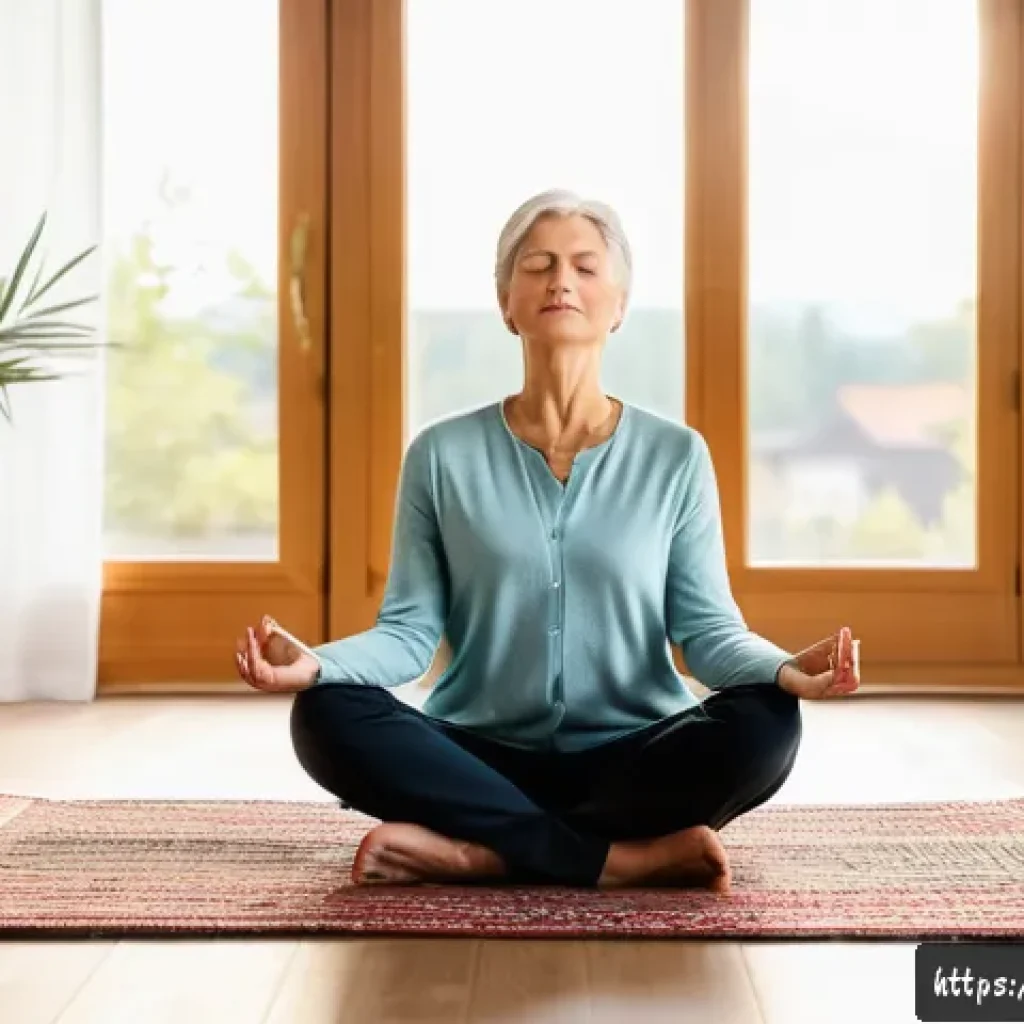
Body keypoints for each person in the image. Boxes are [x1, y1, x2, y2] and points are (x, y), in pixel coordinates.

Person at [234, 188, 860, 892]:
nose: (561, 280)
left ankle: (481, 851)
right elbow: (408, 634)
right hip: (475, 752)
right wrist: (316, 665)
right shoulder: (441, 454)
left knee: (768, 722)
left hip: (637, 756)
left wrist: (782, 669)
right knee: (326, 714)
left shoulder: (676, 456)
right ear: (507, 301)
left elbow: (707, 630)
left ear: (619, 303)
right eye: (537, 264)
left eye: (586, 267)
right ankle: (612, 857)